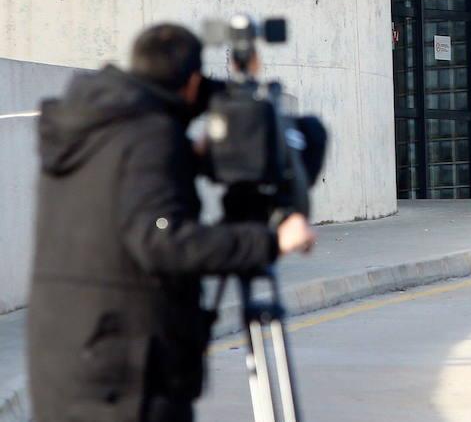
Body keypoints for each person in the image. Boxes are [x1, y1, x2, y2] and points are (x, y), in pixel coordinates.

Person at [26, 24, 317, 422]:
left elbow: (129, 199)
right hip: (127, 384)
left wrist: (188, 150)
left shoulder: (96, 126)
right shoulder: (150, 136)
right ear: (191, 80)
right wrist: (267, 241)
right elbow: (163, 241)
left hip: (73, 364)